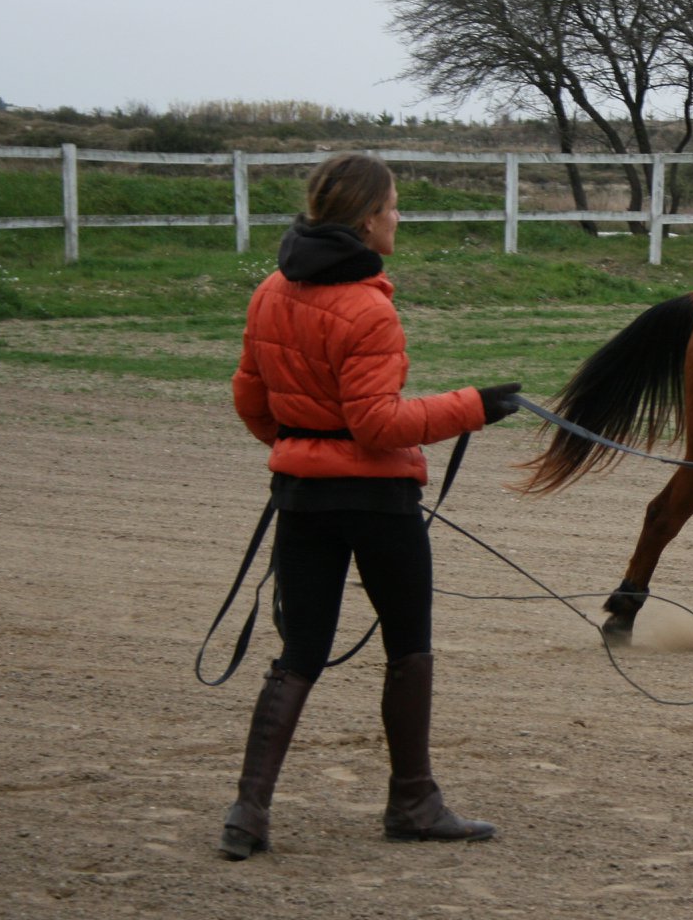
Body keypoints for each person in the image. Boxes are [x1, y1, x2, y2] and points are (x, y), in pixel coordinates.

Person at [221, 152, 521, 860]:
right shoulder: (368, 308)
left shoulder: (270, 290)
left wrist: (296, 445)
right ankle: (413, 802)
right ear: (365, 219)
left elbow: (249, 397)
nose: (398, 217)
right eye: (393, 206)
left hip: (301, 497)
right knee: (408, 645)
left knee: (300, 652)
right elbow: (377, 426)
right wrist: (474, 407)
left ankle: (248, 811)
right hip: (378, 502)